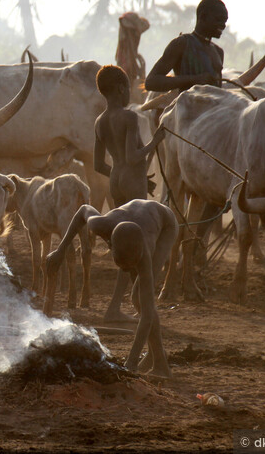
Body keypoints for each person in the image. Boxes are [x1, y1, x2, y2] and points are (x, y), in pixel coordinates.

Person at [44, 200, 177, 378]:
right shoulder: (100, 224)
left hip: (166, 223)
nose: (129, 270)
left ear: (139, 255)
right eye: (123, 265)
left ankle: (161, 364)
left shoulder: (145, 250)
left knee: (139, 297)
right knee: (139, 298)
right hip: (139, 217)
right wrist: (60, 251)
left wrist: (131, 362)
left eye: (133, 265)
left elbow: (146, 314)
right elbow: (82, 210)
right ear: (111, 246)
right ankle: (155, 356)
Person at [89, 64, 164, 322]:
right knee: (137, 242)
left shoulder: (100, 122)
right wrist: (156, 141)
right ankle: (134, 305)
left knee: (124, 242)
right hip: (131, 178)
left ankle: (128, 305)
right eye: (129, 89)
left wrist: (126, 174)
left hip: (115, 180)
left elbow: (99, 165)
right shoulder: (129, 117)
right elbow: (133, 157)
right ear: (122, 89)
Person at [144, 0, 228, 92]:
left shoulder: (218, 52)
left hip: (216, 106)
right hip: (187, 105)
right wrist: (194, 79)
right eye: (219, 20)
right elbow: (151, 82)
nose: (223, 25)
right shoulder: (182, 43)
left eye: (225, 21)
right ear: (203, 17)